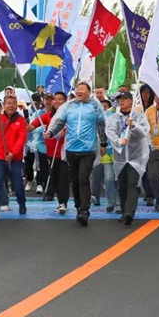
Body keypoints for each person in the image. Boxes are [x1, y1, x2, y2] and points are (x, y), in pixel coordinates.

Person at [45, 82, 107, 227]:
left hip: (88, 148)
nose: (79, 91)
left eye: (83, 89)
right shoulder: (69, 106)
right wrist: (51, 132)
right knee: (75, 180)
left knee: (83, 178)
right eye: (78, 89)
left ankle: (85, 210)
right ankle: (79, 206)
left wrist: (104, 143)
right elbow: (59, 122)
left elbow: (101, 125)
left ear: (89, 92)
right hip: (71, 148)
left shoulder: (95, 106)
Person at [105, 91, 150, 226]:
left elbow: (144, 133)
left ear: (131, 100)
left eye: (125, 99)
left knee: (132, 183)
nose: (122, 101)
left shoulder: (139, 117)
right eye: (120, 99)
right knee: (122, 185)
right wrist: (119, 141)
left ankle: (130, 212)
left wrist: (134, 126)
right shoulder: (114, 118)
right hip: (120, 158)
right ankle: (124, 211)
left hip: (136, 157)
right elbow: (109, 132)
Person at [0, 95, 28, 219]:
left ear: (16, 105)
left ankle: (22, 203)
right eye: (8, 103)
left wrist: (13, 153)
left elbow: (21, 139)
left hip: (15, 158)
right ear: (4, 105)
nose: (10, 106)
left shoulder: (21, 120)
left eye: (13, 103)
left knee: (17, 183)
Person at [30, 92, 70, 212]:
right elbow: (36, 123)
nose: (57, 101)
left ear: (65, 101)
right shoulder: (48, 115)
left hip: (65, 153)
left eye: (60, 99)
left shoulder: (69, 114)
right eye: (55, 99)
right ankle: (56, 196)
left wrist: (65, 132)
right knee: (54, 177)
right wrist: (30, 127)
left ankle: (63, 202)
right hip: (51, 152)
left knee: (63, 178)